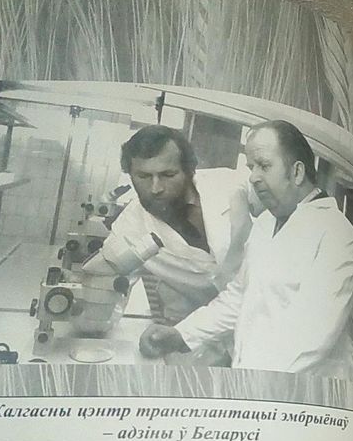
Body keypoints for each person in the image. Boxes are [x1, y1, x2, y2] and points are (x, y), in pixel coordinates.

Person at [139, 120, 353, 381]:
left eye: (264, 166)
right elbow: (239, 296)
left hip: (305, 387)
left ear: (297, 172)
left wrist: (251, 383)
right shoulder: (266, 223)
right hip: (254, 379)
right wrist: (182, 334)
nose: (254, 177)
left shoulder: (334, 233)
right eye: (251, 167)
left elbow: (312, 338)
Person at [104, 124, 253, 325]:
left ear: (189, 170)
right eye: (143, 177)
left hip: (273, 315)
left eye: (168, 175)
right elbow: (105, 284)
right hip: (201, 330)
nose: (156, 188)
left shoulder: (231, 184)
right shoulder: (129, 227)